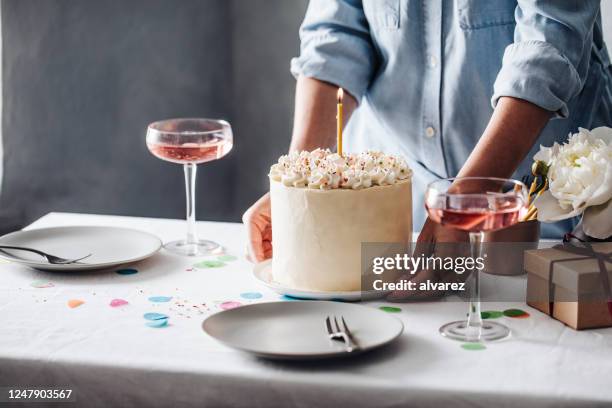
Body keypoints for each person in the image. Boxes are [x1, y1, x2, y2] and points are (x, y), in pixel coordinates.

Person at [243, 0, 612, 264]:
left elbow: (548, 45)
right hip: (397, 223)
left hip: (545, 218)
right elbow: (334, 35)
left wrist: (465, 202)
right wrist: (298, 180)